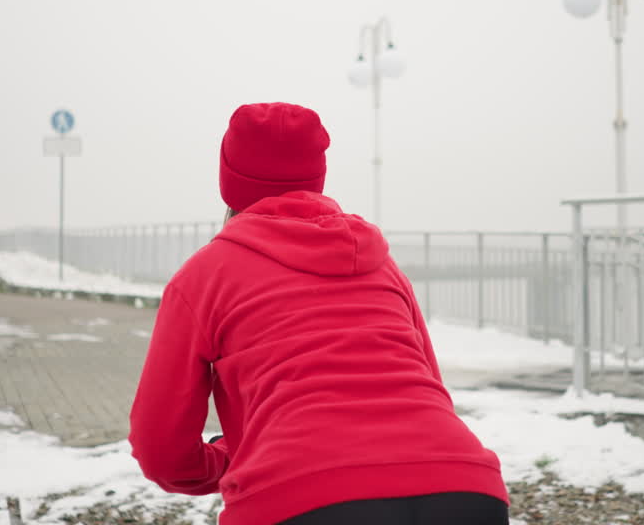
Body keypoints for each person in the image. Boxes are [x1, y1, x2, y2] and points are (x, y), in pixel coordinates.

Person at [129, 102, 509, 525]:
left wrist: (225, 461)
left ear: (230, 185)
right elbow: (430, 387)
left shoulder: (205, 276)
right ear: (316, 176)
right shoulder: (381, 264)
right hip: (462, 485)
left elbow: (161, 449)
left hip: (300, 497)